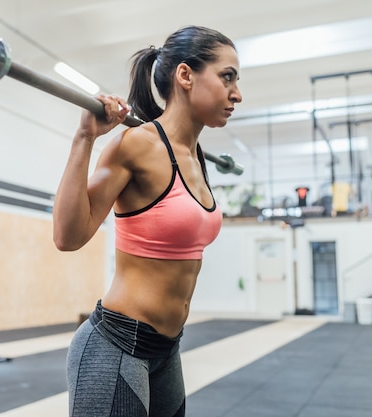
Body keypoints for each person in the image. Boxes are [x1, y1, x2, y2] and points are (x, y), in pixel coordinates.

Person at [53, 25, 242, 417]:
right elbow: (68, 237)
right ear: (186, 76)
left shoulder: (196, 156)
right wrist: (85, 139)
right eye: (227, 77)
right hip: (116, 345)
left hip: (167, 350)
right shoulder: (136, 145)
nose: (237, 93)